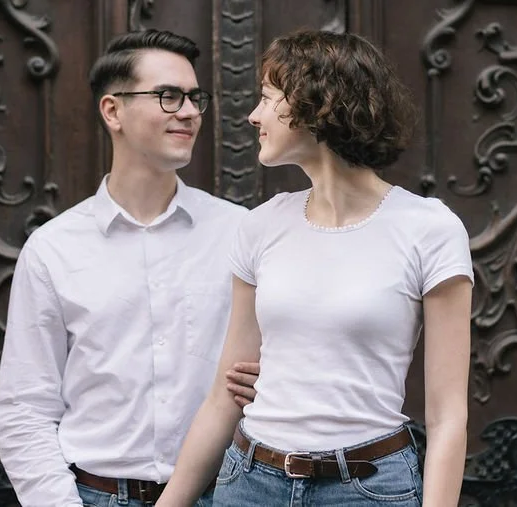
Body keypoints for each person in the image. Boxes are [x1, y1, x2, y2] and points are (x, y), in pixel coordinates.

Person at [155, 30, 474, 507]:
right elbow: (225, 396)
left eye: (267, 98)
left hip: (367, 488)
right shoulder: (261, 226)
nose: (254, 115)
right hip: (251, 482)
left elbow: (448, 417)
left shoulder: (429, 229)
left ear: (317, 104)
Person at [0, 30, 260, 507]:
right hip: (94, 495)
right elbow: (25, 408)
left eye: (195, 97)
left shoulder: (240, 233)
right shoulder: (53, 249)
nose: (189, 112)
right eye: (168, 96)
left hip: (224, 494)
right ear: (113, 111)